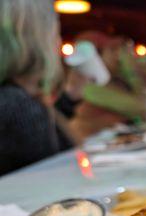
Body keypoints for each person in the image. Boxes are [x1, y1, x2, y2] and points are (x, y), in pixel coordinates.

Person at [0, 0, 84, 176]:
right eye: (55, 28)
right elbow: (52, 181)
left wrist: (69, 97)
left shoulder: (15, 97)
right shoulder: (18, 105)